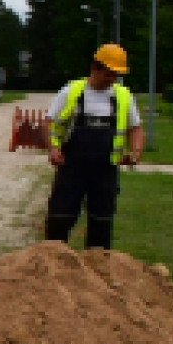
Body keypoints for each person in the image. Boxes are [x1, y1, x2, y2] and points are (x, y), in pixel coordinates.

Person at [44, 44, 144, 250]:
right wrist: (53, 149)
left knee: (101, 222)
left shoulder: (123, 96)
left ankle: (96, 270)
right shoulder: (72, 91)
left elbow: (135, 128)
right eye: (108, 74)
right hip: (71, 166)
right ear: (94, 68)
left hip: (105, 170)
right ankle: (52, 266)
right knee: (60, 218)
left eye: (116, 75)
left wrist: (135, 152)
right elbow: (49, 122)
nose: (112, 79)